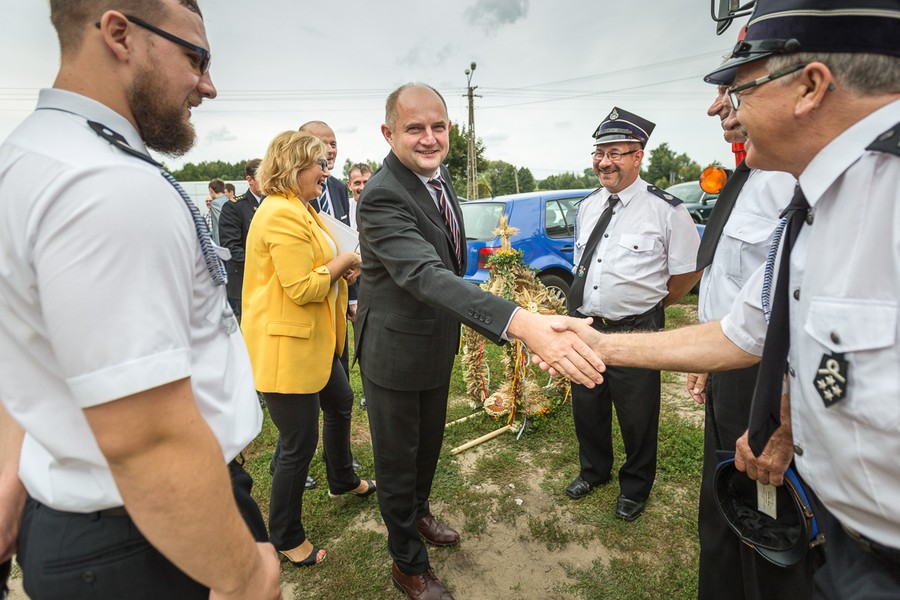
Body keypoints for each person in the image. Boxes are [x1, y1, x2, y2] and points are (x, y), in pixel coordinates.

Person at [540, 1, 900, 596]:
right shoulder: (813, 203)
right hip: (844, 540)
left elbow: (689, 281)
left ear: (810, 87)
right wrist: (597, 341)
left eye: (739, 88)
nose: (717, 108)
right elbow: (747, 329)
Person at [0, 2, 281, 599]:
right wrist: (244, 575)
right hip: (152, 534)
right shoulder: (104, 185)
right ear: (120, 34)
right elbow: (146, 437)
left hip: (85, 521)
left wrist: (12, 480)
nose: (208, 86)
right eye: (195, 57)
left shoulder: (30, 156)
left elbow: (29, 351)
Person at [355, 82, 604, 600]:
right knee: (398, 463)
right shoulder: (382, 193)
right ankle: (408, 565)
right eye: (415, 128)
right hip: (394, 354)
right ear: (388, 133)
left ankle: (418, 514)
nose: (429, 139)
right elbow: (424, 274)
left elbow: (451, 265)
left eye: (439, 127)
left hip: (434, 343)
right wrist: (521, 321)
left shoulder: (439, 181)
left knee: (426, 450)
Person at [691, 86, 809, 599]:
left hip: (770, 381)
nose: (717, 108)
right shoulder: (751, 175)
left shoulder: (797, 182)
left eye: (734, 93)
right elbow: (731, 281)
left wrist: (782, 417)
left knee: (770, 526)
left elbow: (801, 311)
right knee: (721, 510)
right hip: (727, 363)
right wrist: (705, 355)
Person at [241, 130, 375, 568]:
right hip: (286, 349)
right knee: (298, 441)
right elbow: (302, 288)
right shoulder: (279, 213)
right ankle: (284, 535)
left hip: (315, 345)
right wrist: (346, 264)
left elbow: (320, 262)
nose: (325, 171)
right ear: (294, 167)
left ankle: (341, 478)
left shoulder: (301, 207)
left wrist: (340, 270)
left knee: (340, 402)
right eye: (318, 163)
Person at [564, 107, 701, 521]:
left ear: (638, 156)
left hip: (638, 330)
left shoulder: (667, 210)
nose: (604, 162)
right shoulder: (587, 206)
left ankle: (635, 487)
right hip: (588, 328)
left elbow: (687, 273)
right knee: (587, 407)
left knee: (638, 416)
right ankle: (594, 471)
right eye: (599, 152)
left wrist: (655, 306)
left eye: (615, 153)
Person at [219, 158, 264, 319]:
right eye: (262, 177)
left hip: (268, 283)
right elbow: (231, 248)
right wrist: (264, 264)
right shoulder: (234, 207)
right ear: (249, 180)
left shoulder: (271, 203)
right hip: (245, 281)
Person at [347, 162, 372, 230]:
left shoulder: (382, 207)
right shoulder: (344, 208)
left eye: (366, 182)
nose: (362, 188)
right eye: (357, 183)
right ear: (349, 185)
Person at [208, 177, 228, 244]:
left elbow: (219, 222)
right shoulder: (229, 200)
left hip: (221, 242)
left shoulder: (214, 203)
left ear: (211, 190)